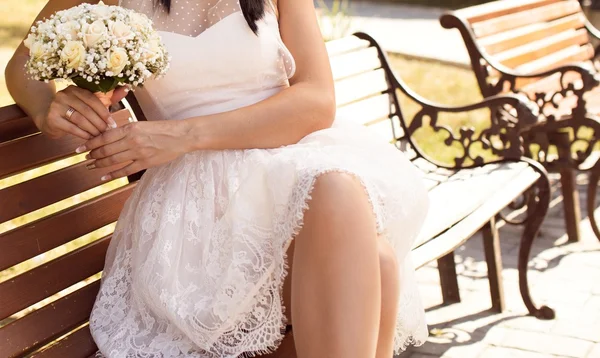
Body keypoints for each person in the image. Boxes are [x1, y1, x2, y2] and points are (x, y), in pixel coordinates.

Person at [6, 0, 430, 357]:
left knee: (349, 208)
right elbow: (23, 62)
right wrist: (48, 108)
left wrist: (184, 135)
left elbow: (317, 100)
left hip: (289, 167)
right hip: (195, 210)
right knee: (374, 258)